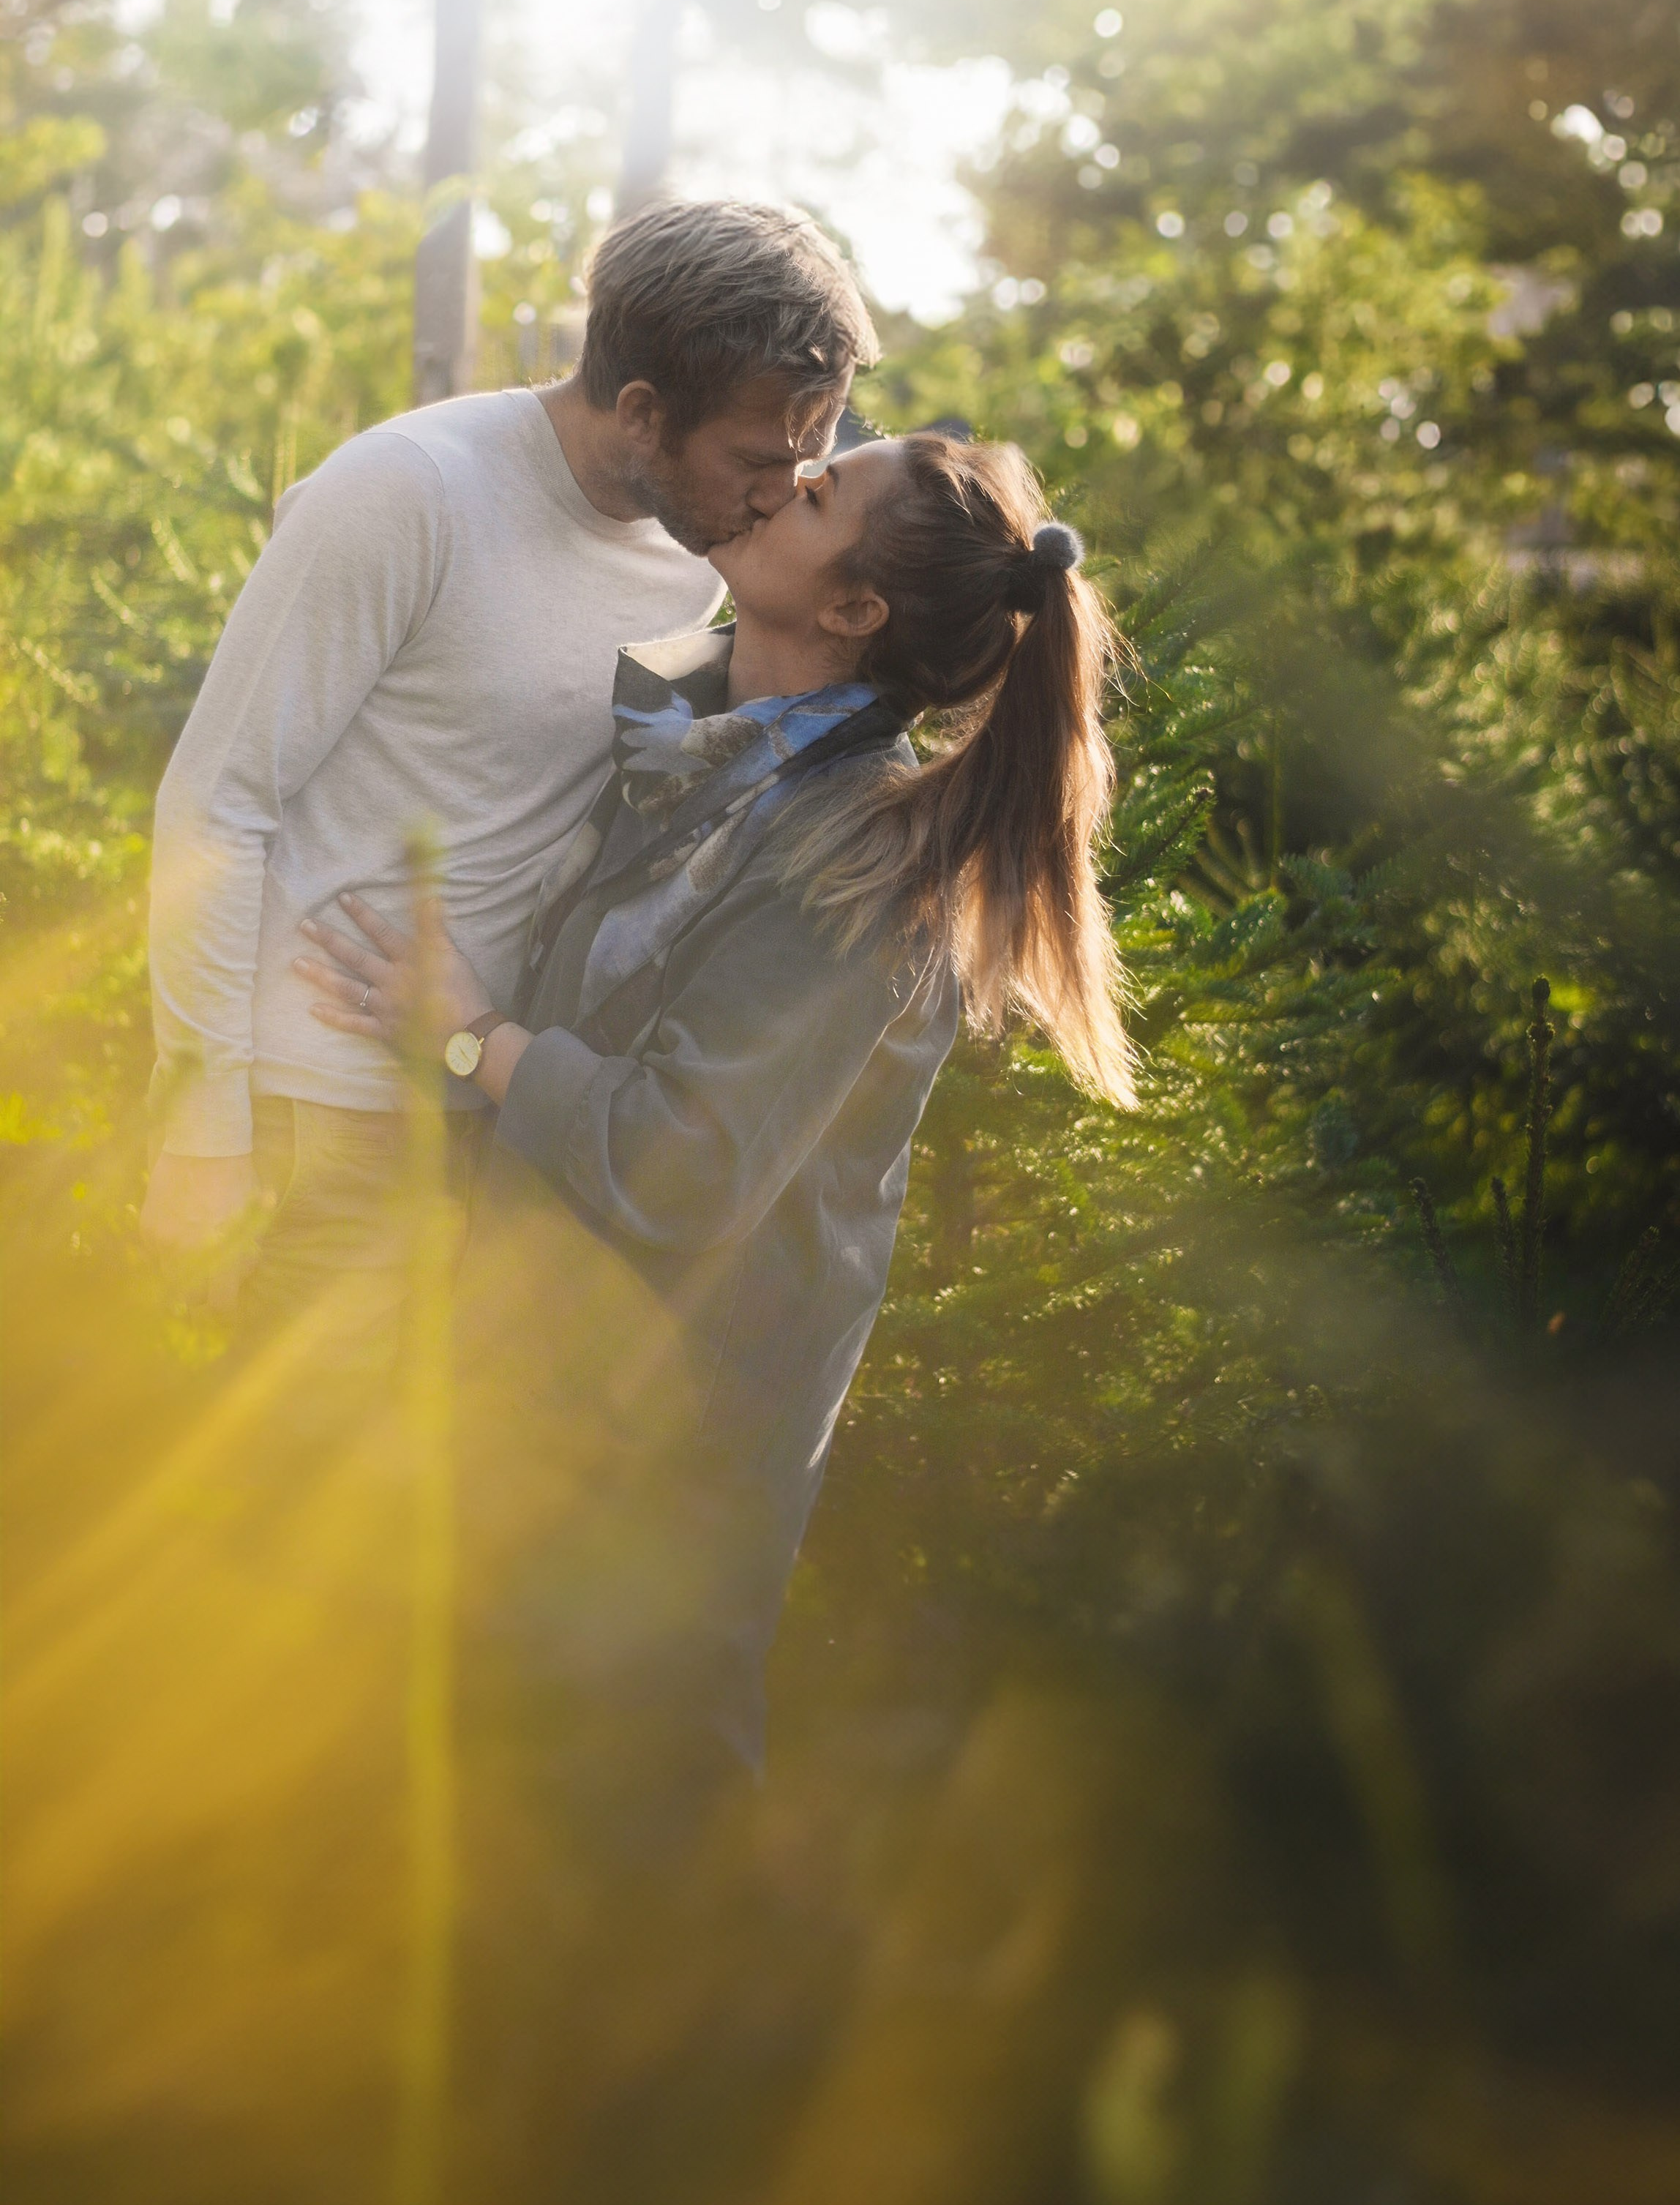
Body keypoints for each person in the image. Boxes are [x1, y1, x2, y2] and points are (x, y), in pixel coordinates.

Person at [296, 428, 1136, 1775]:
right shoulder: (694, 752)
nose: (776, 480)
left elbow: (679, 1163)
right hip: (535, 1412)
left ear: (855, 609)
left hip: (665, 1472)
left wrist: (467, 1039)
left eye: (817, 493)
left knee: (618, 1857)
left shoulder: (860, 865)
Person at [140, 199, 878, 1325]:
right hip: (320, 1107)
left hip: (490, 1113)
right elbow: (215, 803)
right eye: (753, 460)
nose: (779, 494)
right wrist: (201, 1127)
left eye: (807, 457)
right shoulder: (406, 491)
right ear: (641, 410)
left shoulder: (701, 549)